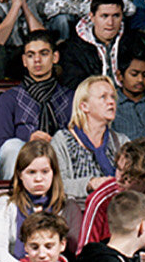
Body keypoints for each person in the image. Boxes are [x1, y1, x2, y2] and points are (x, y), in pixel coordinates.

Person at [0, 33, 72, 179]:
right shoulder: (9, 98)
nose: (37, 60)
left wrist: (53, 142)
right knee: (11, 146)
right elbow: (1, 146)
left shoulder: (70, 97)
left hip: (60, 163)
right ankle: (16, 198)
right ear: (24, 61)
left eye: (44, 53)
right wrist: (29, 141)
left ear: (55, 57)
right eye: (30, 55)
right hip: (22, 166)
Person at [50, 76, 124, 209]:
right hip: (76, 211)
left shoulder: (120, 141)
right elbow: (57, 184)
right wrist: (90, 183)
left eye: (113, 97)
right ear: (84, 106)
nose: (111, 102)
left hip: (116, 211)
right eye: (103, 97)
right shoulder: (62, 141)